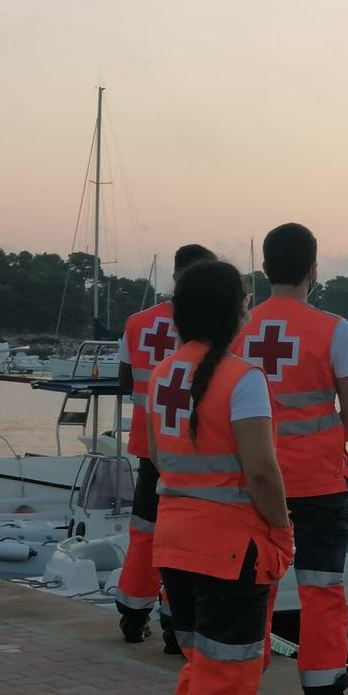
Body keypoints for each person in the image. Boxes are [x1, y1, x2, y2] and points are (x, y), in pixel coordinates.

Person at [149, 260, 293, 695]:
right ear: (235, 310)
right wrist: (282, 526)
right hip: (232, 548)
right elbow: (260, 470)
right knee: (226, 677)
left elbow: (162, 458)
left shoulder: (163, 373)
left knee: (199, 669)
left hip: (175, 541)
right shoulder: (243, 379)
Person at [233, 222, 348, 695]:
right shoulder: (333, 329)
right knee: (322, 592)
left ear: (265, 268)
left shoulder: (239, 328)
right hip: (318, 482)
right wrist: (320, 447)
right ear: (314, 269)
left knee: (252, 591)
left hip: (252, 480)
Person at [115, 243, 216, 649]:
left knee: (144, 529)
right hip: (190, 449)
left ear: (175, 275)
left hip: (147, 444)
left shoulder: (138, 322)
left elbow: (125, 380)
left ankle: (132, 613)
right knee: (184, 537)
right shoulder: (205, 330)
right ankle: (177, 624)